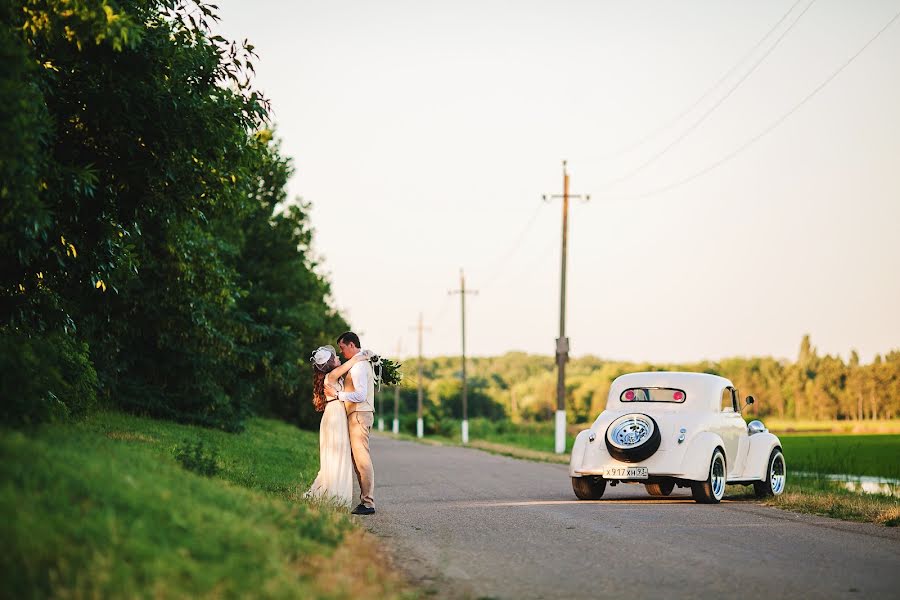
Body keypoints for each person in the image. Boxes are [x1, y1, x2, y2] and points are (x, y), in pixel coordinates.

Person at [304, 345, 370, 508]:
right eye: (335, 357)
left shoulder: (332, 376)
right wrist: (367, 355)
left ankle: (334, 494)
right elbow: (354, 360)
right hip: (334, 416)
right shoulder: (332, 375)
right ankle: (335, 496)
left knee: (338, 455)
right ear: (331, 363)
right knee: (337, 454)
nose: (339, 357)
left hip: (335, 413)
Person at [325, 331, 376, 515]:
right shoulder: (358, 363)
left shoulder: (358, 367)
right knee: (358, 459)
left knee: (362, 458)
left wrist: (338, 395)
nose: (342, 351)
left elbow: (360, 395)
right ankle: (365, 500)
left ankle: (368, 503)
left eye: (343, 347)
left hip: (359, 414)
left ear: (352, 345)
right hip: (358, 413)